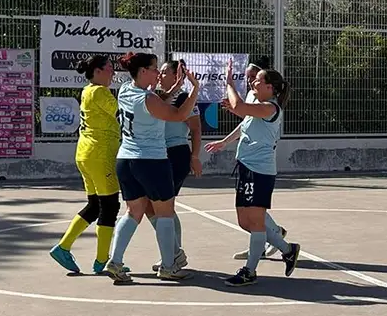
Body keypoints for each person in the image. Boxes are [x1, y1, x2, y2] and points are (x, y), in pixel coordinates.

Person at [103, 52, 201, 284]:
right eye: (155, 68)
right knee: (165, 213)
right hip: (151, 161)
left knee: (133, 212)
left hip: (126, 159)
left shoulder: (126, 90)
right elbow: (179, 114)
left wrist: (175, 88)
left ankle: (115, 261)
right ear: (143, 71)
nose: (158, 72)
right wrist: (195, 89)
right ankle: (168, 266)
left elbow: (158, 101)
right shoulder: (147, 99)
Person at [210, 58, 299, 287]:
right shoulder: (258, 104)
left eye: (257, 81)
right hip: (246, 166)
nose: (252, 84)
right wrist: (224, 142)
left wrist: (229, 83)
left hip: (260, 171)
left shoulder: (271, 108)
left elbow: (240, 108)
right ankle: (287, 249)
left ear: (270, 87)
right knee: (244, 221)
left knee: (256, 222)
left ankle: (249, 271)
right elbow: (245, 121)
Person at [50, 56, 126, 275]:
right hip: (100, 155)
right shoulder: (100, 92)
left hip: (86, 153)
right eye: (110, 68)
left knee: (95, 205)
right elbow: (122, 112)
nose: (113, 73)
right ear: (98, 71)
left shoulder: (87, 91)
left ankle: (64, 247)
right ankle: (102, 260)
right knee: (110, 206)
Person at [144, 59, 202, 273]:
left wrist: (195, 156)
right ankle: (173, 252)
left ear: (177, 75)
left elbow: (196, 129)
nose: (159, 75)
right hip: (157, 154)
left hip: (176, 153)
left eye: (164, 72)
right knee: (150, 206)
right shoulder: (158, 97)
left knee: (164, 206)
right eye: (158, 72)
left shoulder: (185, 98)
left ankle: (172, 255)